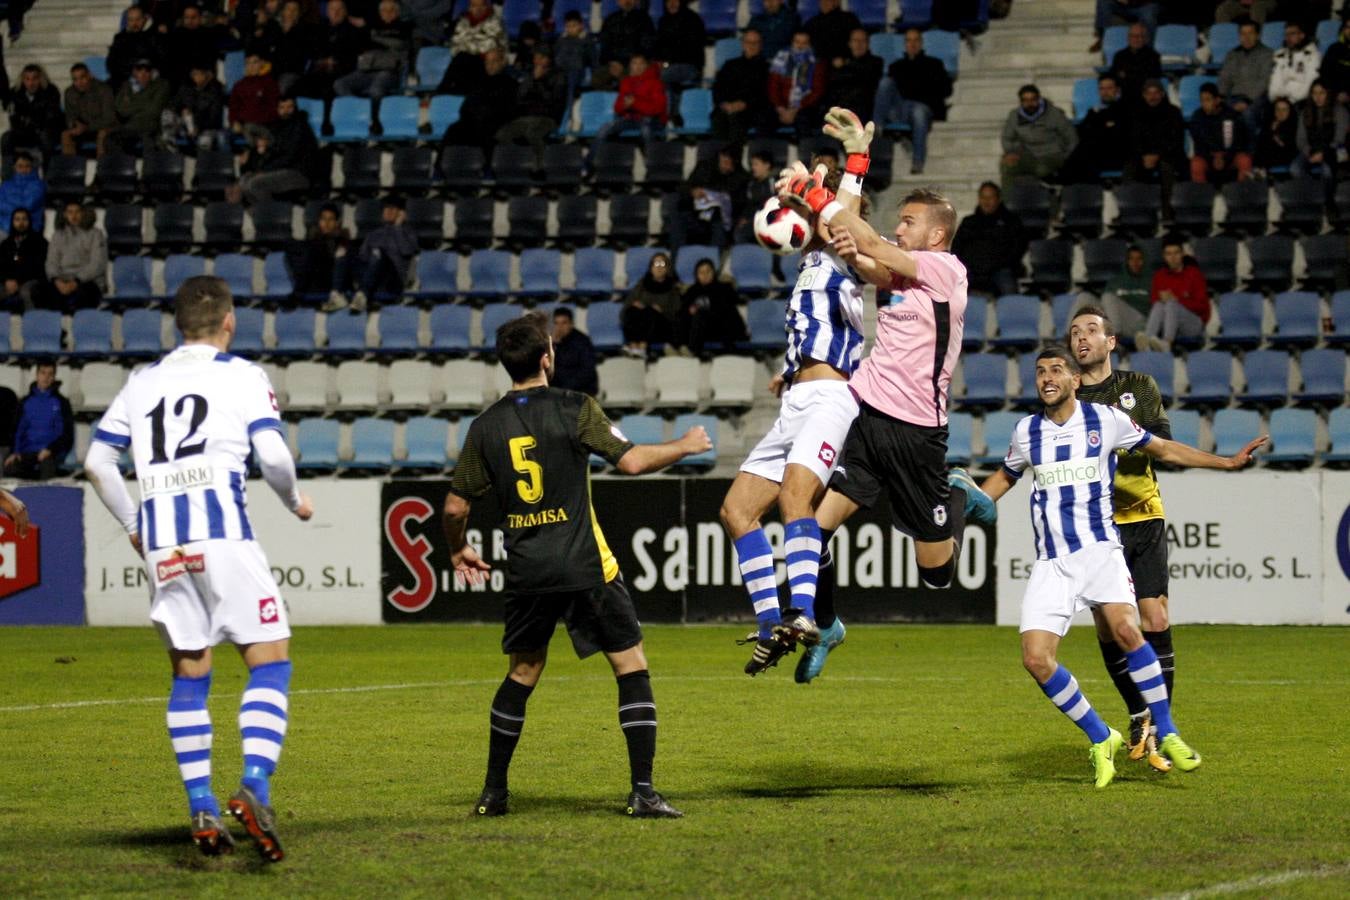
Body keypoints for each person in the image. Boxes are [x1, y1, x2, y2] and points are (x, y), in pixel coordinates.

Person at [445, 312, 710, 819]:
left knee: (523, 671)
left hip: (526, 570)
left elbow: (456, 508)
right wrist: (685, 446)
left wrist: (457, 549)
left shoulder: (485, 427)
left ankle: (494, 793)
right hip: (586, 564)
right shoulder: (575, 408)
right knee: (630, 665)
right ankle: (643, 792)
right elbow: (630, 461)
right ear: (547, 356)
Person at [84, 275, 314, 859]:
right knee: (271, 660)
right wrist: (293, 501)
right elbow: (272, 454)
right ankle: (255, 785)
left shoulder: (142, 383)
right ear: (229, 322)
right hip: (224, 535)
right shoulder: (241, 375)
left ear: (178, 325)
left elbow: (96, 462)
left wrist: (137, 527)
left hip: (166, 545)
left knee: (191, 672)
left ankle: (202, 807)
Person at [978, 345, 1263, 787]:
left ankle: (1166, 730)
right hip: (1052, 562)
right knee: (1036, 660)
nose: (1047, 377)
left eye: (1057, 370)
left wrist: (1225, 462)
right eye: (1040, 372)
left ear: (1076, 380)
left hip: (1100, 551)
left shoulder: (1105, 421)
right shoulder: (1025, 432)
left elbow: (1163, 448)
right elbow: (1001, 481)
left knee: (1128, 630)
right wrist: (959, 509)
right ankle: (1101, 736)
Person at [771, 140, 996, 677]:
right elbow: (859, 250)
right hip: (867, 419)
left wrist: (814, 190)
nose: (901, 228)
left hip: (919, 435)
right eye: (899, 221)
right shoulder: (897, 273)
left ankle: (956, 494)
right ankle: (826, 624)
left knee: (935, 573)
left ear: (936, 234)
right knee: (813, 531)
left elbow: (870, 240)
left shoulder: (947, 270)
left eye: (911, 222)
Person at [720, 113, 870, 680]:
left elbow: (845, 212)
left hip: (832, 399)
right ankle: (771, 625)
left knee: (794, 502)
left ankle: (804, 615)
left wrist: (852, 163)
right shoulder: (811, 261)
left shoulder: (843, 247)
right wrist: (789, 371)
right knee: (736, 510)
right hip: (797, 401)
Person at [1067, 307, 1180, 770]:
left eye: (1091, 330)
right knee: (1110, 626)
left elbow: (1164, 445)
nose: (1082, 338)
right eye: (1074, 333)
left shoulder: (1140, 387)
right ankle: (1138, 714)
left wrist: (1120, 435)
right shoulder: (1067, 395)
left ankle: (1161, 723)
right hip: (1096, 526)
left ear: (1111, 342)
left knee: (1154, 617)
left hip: (1143, 515)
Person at [873, 28, 952, 175]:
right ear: (905, 44)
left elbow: (946, 90)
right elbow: (889, 94)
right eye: (909, 40)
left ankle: (918, 161)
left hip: (922, 107)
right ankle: (877, 126)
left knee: (918, 112)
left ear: (921, 43)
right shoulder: (896, 67)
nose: (912, 44)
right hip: (900, 109)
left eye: (916, 40)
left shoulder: (934, 64)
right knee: (885, 82)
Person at [323, 195, 416, 312]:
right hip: (372, 278)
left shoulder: (408, 233)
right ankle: (336, 295)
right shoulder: (373, 234)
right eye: (386, 208)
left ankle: (362, 295)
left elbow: (407, 251)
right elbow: (363, 258)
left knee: (378, 251)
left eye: (392, 209)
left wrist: (397, 227)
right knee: (344, 251)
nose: (388, 211)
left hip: (393, 281)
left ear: (401, 213)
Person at [236, 95, 320, 205]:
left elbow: (289, 157)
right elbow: (269, 154)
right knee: (244, 181)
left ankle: (272, 216)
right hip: (277, 169)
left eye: (289, 107)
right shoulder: (275, 127)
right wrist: (252, 156)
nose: (286, 111)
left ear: (295, 108)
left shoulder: (300, 127)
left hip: (298, 172)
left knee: (256, 184)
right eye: (282, 107)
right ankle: (260, 217)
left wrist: (264, 171)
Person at [437, 47, 518, 156]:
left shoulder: (511, 84)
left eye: (494, 61)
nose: (490, 66)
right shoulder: (479, 84)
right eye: (487, 62)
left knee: (485, 132)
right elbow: (466, 108)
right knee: (454, 129)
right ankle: (441, 167)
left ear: (502, 62)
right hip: (476, 123)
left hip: (496, 124)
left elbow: (507, 110)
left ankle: (485, 167)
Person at [950, 181, 1026, 298]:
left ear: (998, 199)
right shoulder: (969, 222)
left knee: (1009, 289)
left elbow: (1018, 248)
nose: (986, 201)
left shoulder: (1011, 221)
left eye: (990, 197)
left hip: (1000, 270)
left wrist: (995, 264)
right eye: (983, 197)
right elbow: (957, 248)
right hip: (972, 270)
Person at [495, 50, 567, 168]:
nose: (535, 61)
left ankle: (539, 168)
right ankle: (515, 165)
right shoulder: (530, 75)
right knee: (502, 134)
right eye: (535, 58)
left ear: (547, 59)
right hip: (527, 117)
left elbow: (553, 101)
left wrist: (539, 81)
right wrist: (533, 80)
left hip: (548, 118)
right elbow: (520, 97)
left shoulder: (559, 76)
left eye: (539, 58)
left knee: (533, 134)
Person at [1125, 79, 1186, 216]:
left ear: (1162, 94)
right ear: (1143, 95)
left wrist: (1157, 154)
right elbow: (1134, 139)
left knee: (1167, 167)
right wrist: (1144, 155)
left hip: (1167, 154)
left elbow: (1176, 140)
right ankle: (1130, 211)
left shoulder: (1173, 112)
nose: (1152, 97)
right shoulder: (1136, 113)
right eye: (1149, 93)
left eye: (1156, 93)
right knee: (1130, 167)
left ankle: (1168, 212)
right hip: (1143, 156)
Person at [4, 361, 73, 480]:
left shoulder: (62, 403)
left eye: (50, 374)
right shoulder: (25, 402)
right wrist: (13, 453)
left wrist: (51, 449)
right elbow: (17, 430)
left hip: (50, 454)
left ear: (54, 377)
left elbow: (67, 435)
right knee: (9, 468)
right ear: (37, 375)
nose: (46, 377)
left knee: (46, 468)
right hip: (27, 453)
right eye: (43, 373)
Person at [1000, 84, 1077, 189]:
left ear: (1039, 99)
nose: (1029, 103)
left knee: (1042, 170)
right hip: (1028, 155)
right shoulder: (1014, 116)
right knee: (1006, 165)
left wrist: (1066, 157)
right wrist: (1012, 152)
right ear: (1020, 102)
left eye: (1033, 99)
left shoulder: (1054, 114)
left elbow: (1071, 137)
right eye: (1025, 100)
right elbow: (1007, 138)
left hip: (1053, 155)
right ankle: (1008, 202)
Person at [1056, 74, 1128, 184]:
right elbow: (1082, 131)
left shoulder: (1124, 110)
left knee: (1085, 152)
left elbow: (1116, 135)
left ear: (1117, 90)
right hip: (1093, 152)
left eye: (1109, 88)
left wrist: (1098, 128)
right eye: (1102, 88)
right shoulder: (1093, 111)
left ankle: (1060, 181)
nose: (1105, 92)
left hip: (1115, 154)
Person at [334, 0, 411, 100]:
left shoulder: (403, 27)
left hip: (389, 71)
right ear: (380, 13)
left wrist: (376, 38)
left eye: (391, 10)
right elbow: (360, 45)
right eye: (383, 10)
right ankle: (360, 109)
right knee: (339, 84)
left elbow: (400, 44)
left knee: (376, 89)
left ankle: (375, 114)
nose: (387, 13)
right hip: (367, 69)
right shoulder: (373, 27)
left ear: (397, 12)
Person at [37, 201, 107, 311]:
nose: (73, 216)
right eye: (70, 212)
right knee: (39, 291)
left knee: (86, 294)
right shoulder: (58, 235)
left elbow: (97, 264)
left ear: (83, 213)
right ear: (65, 214)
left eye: (77, 212)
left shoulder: (96, 234)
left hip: (87, 281)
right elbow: (51, 262)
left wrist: (76, 281)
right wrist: (56, 280)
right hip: (62, 280)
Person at [1143, 237, 1209, 351]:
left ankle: (1167, 343)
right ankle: (1147, 341)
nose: (1173, 258)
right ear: (1164, 256)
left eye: (1176, 253)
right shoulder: (1159, 275)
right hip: (1168, 322)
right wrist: (1161, 299)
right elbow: (1154, 303)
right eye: (1168, 254)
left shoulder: (1194, 274)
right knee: (1159, 304)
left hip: (1193, 324)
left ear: (1182, 254)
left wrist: (1178, 300)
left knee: (1171, 303)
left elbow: (1202, 307)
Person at [293, 0, 365, 100]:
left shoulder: (353, 31)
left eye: (339, 9)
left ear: (345, 12)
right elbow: (312, 51)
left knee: (326, 88)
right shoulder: (319, 29)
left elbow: (353, 56)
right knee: (295, 86)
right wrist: (321, 61)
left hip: (342, 71)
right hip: (320, 70)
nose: (336, 13)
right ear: (327, 12)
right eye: (332, 9)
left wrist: (334, 61)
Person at [711, 29, 771, 147]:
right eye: (749, 42)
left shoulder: (767, 67)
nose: (752, 46)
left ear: (761, 45)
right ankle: (719, 161)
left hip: (752, 109)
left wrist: (744, 104)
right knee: (718, 118)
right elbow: (718, 88)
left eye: (755, 43)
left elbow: (763, 92)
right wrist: (724, 104)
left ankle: (734, 160)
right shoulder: (730, 65)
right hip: (727, 107)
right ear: (743, 44)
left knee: (737, 119)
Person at [593, 53, 666, 147]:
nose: (638, 67)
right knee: (605, 127)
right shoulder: (626, 82)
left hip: (652, 120)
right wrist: (625, 105)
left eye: (641, 64)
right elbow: (617, 108)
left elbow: (658, 108)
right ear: (630, 66)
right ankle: (591, 160)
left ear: (646, 66)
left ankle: (652, 160)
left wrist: (635, 103)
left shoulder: (656, 83)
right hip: (631, 119)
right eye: (634, 63)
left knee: (646, 130)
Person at [286, 202, 353, 304]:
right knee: (294, 246)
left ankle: (298, 293)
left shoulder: (342, 240)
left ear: (336, 222)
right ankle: (299, 291)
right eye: (323, 219)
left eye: (330, 219)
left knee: (311, 252)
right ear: (319, 221)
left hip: (332, 283)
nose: (326, 223)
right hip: (314, 282)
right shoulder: (313, 240)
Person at [676, 258, 748, 354]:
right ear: (696, 275)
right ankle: (686, 350)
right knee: (693, 316)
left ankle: (691, 351)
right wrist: (689, 311)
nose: (705, 275)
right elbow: (683, 312)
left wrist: (733, 284)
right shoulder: (692, 291)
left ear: (713, 272)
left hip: (721, 328)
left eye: (708, 271)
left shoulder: (724, 288)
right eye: (701, 272)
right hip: (701, 330)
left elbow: (736, 303)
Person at [1218, 18, 1274, 138]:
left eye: (1250, 33)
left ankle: (1252, 151)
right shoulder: (1232, 54)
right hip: (1233, 97)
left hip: (1257, 99)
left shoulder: (1267, 54)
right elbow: (1225, 78)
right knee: (1218, 113)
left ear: (1258, 35)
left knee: (1247, 114)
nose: (1246, 37)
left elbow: (1264, 82)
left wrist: (1247, 101)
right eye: (1243, 34)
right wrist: (1221, 98)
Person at [653, 0, 706, 126]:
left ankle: (665, 118)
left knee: (661, 77)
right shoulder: (663, 20)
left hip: (690, 65)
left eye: (675, 0)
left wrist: (668, 61)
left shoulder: (693, 19)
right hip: (670, 66)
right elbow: (659, 46)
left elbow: (693, 48)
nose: (672, 3)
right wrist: (660, 60)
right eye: (668, 1)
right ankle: (671, 116)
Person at [1188, 82, 1253, 184]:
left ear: (1217, 100)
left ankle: (1243, 196)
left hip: (1229, 155)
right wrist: (1212, 158)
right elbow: (1199, 145)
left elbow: (1239, 142)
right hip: (1209, 156)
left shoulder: (1232, 115)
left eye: (1208, 100)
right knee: (1196, 164)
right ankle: (1201, 197)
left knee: (1244, 161)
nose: (1204, 104)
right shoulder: (1197, 117)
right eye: (1202, 101)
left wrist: (1226, 158)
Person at [768, 31, 828, 138]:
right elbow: (773, 87)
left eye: (804, 43)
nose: (800, 46)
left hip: (805, 107)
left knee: (804, 120)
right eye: (797, 42)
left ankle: (805, 153)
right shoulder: (781, 58)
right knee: (764, 118)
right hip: (781, 107)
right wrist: (780, 108)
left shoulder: (817, 63)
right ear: (792, 42)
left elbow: (817, 91)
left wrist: (795, 109)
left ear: (810, 44)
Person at [440, 0, 508, 93]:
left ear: (486, 6)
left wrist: (467, 46)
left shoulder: (495, 22)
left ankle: (441, 92)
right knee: (461, 58)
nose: (478, 9)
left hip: (486, 64)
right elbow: (455, 46)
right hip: (465, 63)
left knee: (462, 58)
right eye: (474, 6)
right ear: (469, 7)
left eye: (481, 6)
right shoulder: (463, 22)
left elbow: (489, 46)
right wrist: (474, 44)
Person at [621, 251, 680, 357]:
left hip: (661, 327)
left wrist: (662, 311)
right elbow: (625, 310)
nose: (659, 267)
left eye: (662, 264)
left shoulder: (673, 288)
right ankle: (634, 347)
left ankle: (642, 348)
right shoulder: (641, 285)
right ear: (651, 267)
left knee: (650, 312)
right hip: (639, 325)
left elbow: (677, 313)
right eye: (656, 264)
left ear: (667, 268)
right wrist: (634, 305)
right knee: (632, 311)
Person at [2, 64, 63, 166]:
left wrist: (29, 120)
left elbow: (51, 118)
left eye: (35, 78)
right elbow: (14, 119)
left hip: (43, 131)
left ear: (41, 79)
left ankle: (48, 176)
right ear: (23, 79)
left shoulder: (51, 91)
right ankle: (8, 177)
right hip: (23, 132)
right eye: (27, 79)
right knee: (6, 138)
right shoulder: (15, 93)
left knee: (46, 137)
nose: (31, 83)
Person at [163, 62, 229, 152]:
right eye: (194, 74)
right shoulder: (186, 89)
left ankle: (202, 162)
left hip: (206, 128)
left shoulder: (216, 90)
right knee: (167, 114)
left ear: (208, 75)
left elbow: (214, 118)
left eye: (199, 74)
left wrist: (198, 125)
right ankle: (171, 149)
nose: (196, 77)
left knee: (205, 141)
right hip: (186, 126)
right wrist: (182, 111)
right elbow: (173, 105)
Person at [111, 59, 172, 153]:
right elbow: (121, 110)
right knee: (111, 139)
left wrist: (132, 104)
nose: (143, 73)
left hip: (151, 126)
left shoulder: (161, 85)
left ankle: (150, 166)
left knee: (150, 142)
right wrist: (146, 102)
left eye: (147, 70)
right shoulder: (127, 86)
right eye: (139, 69)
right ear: (134, 72)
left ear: (152, 72)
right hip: (130, 127)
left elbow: (154, 110)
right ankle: (122, 166)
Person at [825, 29, 883, 130]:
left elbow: (866, 78)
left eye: (863, 41)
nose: (859, 44)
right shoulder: (839, 63)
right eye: (855, 40)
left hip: (862, 108)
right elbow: (834, 80)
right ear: (850, 43)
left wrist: (845, 66)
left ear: (868, 44)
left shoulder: (876, 62)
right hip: (839, 107)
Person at [1294, 79, 1348, 183]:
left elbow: (1339, 139)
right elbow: (1300, 139)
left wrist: (1323, 154)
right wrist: (1309, 152)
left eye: (1321, 93)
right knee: (1295, 169)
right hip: (1311, 151)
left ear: (1328, 93)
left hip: (1331, 152)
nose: (1318, 97)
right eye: (1314, 93)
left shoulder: (1339, 111)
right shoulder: (1305, 112)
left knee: (1327, 171)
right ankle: (1306, 195)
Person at [61, 62, 119, 158]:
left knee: (102, 135)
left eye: (82, 77)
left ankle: (102, 168)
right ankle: (71, 169)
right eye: (75, 79)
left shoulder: (104, 90)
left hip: (104, 127)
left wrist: (87, 127)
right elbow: (69, 116)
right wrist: (74, 125)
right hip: (83, 129)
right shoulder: (70, 92)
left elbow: (109, 118)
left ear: (89, 75)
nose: (79, 82)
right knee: (66, 135)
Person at [596, 0, 655, 89]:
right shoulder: (610, 19)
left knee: (628, 81)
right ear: (618, 2)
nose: (627, 1)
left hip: (634, 64)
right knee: (596, 79)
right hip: (613, 63)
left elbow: (647, 45)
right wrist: (612, 62)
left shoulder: (644, 19)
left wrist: (630, 63)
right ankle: (611, 100)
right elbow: (605, 44)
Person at [1098, 244, 1151, 339]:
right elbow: (1105, 305)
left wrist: (1125, 297)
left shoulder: (1152, 280)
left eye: (1139, 259)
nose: (1135, 262)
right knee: (1084, 296)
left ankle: (1115, 338)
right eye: (1131, 259)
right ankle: (1069, 338)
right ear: (1127, 261)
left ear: (1144, 261)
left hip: (1140, 324)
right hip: (1118, 321)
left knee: (1108, 297)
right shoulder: (1115, 281)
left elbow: (1150, 304)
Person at [0, 207, 47, 308]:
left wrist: (18, 281)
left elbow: (38, 268)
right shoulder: (6, 244)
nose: (21, 223)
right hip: (8, 283)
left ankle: (32, 322)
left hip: (30, 281)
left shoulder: (40, 242)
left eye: (24, 219)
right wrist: (6, 280)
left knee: (26, 291)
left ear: (29, 221)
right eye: (17, 219)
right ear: (12, 222)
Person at [108, 5, 163, 88]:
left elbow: (160, 60)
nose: (134, 23)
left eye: (138, 19)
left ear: (144, 19)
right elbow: (111, 63)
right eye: (131, 20)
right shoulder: (120, 38)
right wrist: (130, 72)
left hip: (148, 78)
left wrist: (143, 72)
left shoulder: (154, 37)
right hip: (124, 79)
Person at [1109, 22, 1161, 108]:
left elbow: (1151, 79)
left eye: (1140, 36)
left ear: (1146, 39)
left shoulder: (1153, 56)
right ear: (1128, 38)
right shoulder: (1119, 56)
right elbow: (1114, 77)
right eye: (1133, 36)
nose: (1136, 39)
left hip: (1144, 99)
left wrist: (1126, 75)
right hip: (1123, 98)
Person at [1268, 21, 1321, 106]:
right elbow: (1275, 80)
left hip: (1300, 101)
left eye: (1292, 34)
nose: (1288, 38)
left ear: (1302, 35)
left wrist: (1291, 100)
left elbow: (1310, 84)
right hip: (1280, 101)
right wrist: (1275, 97)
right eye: (1286, 35)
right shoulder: (1279, 54)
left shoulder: (1312, 55)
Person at [550, 307, 598, 396]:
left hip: (581, 388)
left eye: (564, 323)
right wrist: (553, 346)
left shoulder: (582, 342)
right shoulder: (552, 343)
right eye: (556, 323)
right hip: (560, 388)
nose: (560, 327)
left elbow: (587, 372)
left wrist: (565, 388)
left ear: (571, 324)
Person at [228, 53, 280, 133]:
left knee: (250, 128)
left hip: (264, 125)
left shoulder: (270, 83)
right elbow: (233, 107)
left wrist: (259, 121)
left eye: (255, 62)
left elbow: (274, 108)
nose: (251, 66)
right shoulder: (239, 85)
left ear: (261, 63)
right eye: (248, 63)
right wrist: (234, 122)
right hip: (243, 125)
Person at [803, 0, 862, 66]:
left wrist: (845, 61)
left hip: (845, 66)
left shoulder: (849, 20)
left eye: (828, 0)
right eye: (822, 0)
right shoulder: (810, 24)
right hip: (817, 67)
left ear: (837, 2)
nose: (824, 2)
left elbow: (859, 45)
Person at [0, 152, 46, 236]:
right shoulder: (5, 185)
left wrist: (8, 205)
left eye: (27, 166)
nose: (24, 169)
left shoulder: (39, 185)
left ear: (32, 167)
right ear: (14, 167)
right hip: (4, 226)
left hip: (29, 227)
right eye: (20, 166)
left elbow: (26, 207)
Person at [1089, 0, 1157, 53]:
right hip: (1124, 6)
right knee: (1103, 2)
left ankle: (1148, 51)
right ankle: (1102, 38)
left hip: (1145, 6)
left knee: (1148, 17)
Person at [1255, 96, 1300, 172]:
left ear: (1290, 111)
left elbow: (1290, 148)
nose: (1280, 113)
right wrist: (1271, 131)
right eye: (1278, 109)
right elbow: (1261, 146)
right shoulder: (1269, 124)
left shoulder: (1294, 126)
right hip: (1268, 159)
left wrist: (1275, 137)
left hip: (1287, 158)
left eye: (1284, 110)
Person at [1322, 17, 1350, 104]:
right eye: (1348, 27)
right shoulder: (1334, 49)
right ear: (1343, 30)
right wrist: (1337, 93)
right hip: (1335, 96)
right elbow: (1325, 73)